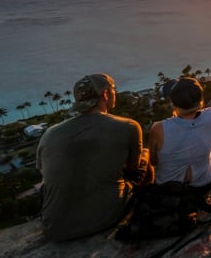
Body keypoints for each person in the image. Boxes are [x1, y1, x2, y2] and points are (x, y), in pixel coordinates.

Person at [36, 73, 153, 241]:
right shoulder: (128, 126)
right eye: (114, 90)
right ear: (105, 94)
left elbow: (44, 174)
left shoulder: (50, 134)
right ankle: (148, 205)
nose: (115, 93)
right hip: (106, 218)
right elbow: (133, 170)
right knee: (146, 154)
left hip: (55, 228)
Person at [147, 77, 211, 196]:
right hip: (205, 184)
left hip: (170, 191)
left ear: (173, 102)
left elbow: (153, 162)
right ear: (200, 99)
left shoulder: (159, 128)